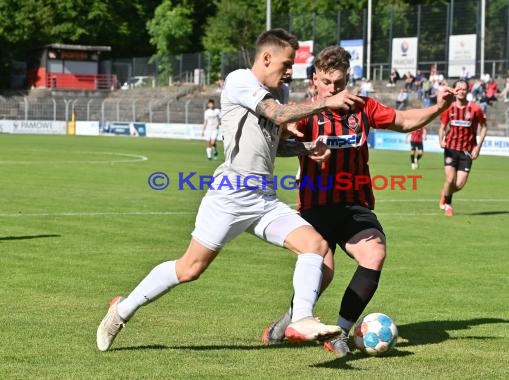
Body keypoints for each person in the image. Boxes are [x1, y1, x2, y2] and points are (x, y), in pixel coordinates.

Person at [96, 29, 365, 352]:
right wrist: (325, 103)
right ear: (266, 58)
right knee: (190, 268)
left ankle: (301, 319)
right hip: (231, 195)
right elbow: (277, 115)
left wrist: (307, 148)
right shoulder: (240, 81)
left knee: (316, 246)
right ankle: (122, 310)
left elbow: (272, 146)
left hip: (263, 199)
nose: (291, 70)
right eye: (287, 63)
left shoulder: (273, 93)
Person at [261, 45, 455, 357]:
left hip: (354, 206)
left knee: (374, 252)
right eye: (326, 82)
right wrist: (295, 132)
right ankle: (290, 318)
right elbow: (280, 131)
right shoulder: (309, 112)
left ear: (347, 79)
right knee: (322, 274)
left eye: (338, 83)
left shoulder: (363, 108)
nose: (332, 89)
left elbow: (404, 120)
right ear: (315, 80)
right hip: (315, 208)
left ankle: (340, 332)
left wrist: (438, 108)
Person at [438, 79, 488, 217]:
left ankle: (445, 192)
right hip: (451, 149)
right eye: (458, 89)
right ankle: (448, 204)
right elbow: (442, 127)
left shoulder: (475, 109)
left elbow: (484, 127)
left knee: (459, 184)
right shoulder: (449, 108)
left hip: (467, 151)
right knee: (450, 179)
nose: (461, 91)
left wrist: (478, 147)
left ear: (468, 91)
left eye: (464, 89)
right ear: (454, 90)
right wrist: (441, 140)